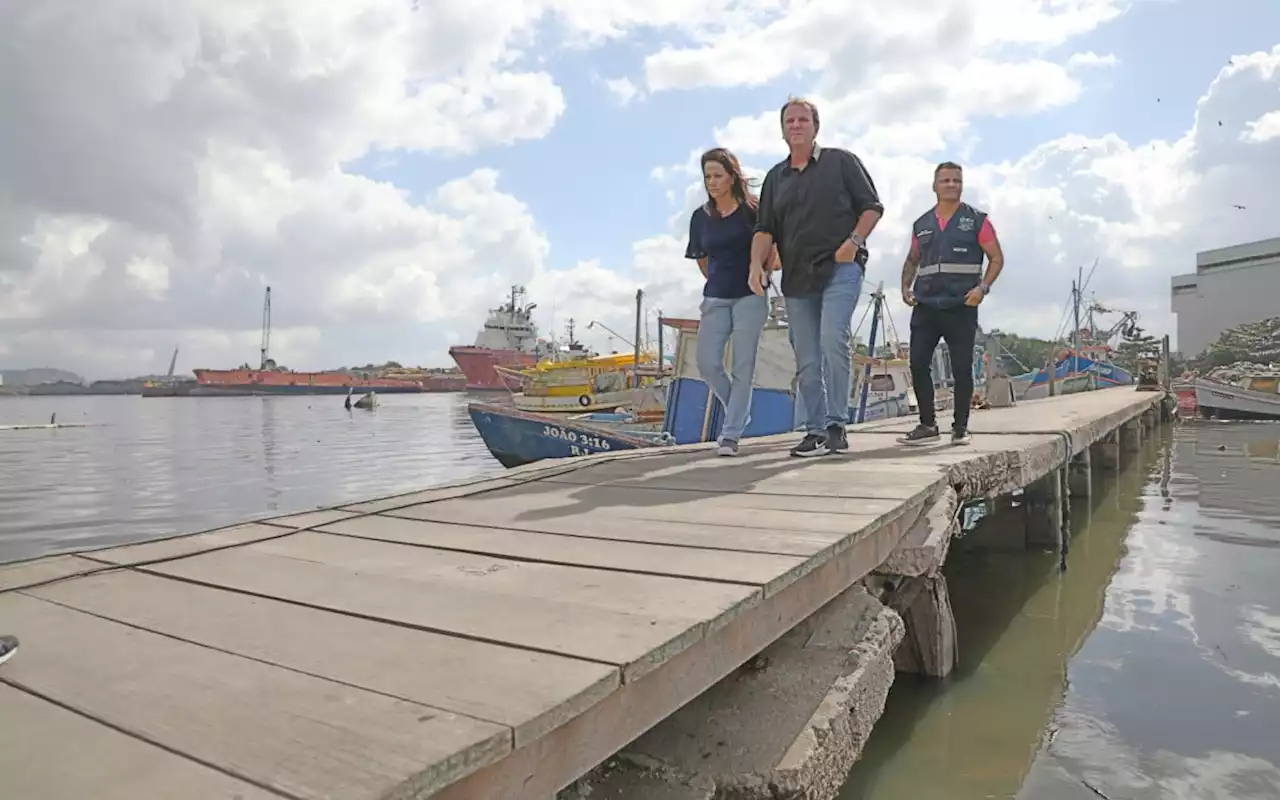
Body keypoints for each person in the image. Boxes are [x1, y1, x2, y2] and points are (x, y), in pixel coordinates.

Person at [749, 97, 884, 457]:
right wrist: (755, 267)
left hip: (840, 268)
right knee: (806, 355)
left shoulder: (841, 162)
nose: (796, 125)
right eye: (789, 120)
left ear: (815, 126)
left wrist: (853, 242)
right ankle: (815, 429)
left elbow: (872, 207)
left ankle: (837, 423)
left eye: (802, 120)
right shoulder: (775, 179)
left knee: (831, 339)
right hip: (796, 277)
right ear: (782, 129)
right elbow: (765, 229)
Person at [898, 161, 1004, 446]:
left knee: (961, 369)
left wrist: (983, 288)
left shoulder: (977, 221)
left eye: (956, 181)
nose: (951, 185)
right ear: (934, 186)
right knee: (918, 363)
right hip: (926, 304)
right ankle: (927, 425)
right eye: (945, 181)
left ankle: (960, 428)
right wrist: (905, 287)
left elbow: (996, 258)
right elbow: (912, 259)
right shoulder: (921, 224)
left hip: (961, 306)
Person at [687, 147, 777, 457]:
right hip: (715, 296)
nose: (711, 182)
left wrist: (764, 272)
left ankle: (731, 433)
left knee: (743, 365)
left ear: (732, 177)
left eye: (717, 175)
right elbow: (701, 257)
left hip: (750, 296)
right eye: (707, 176)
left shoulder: (754, 209)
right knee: (708, 363)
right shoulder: (700, 217)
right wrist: (715, 278)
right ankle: (739, 409)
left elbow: (772, 246)